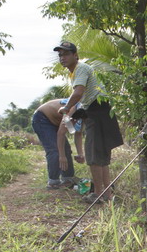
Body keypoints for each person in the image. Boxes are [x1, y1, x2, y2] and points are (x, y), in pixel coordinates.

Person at [53, 41, 123, 203]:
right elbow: (86, 99)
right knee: (101, 157)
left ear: (75, 55)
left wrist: (67, 108)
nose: (62, 58)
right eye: (60, 55)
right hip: (99, 112)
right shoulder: (76, 72)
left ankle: (98, 194)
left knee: (93, 157)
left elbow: (78, 93)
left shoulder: (81, 69)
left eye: (66, 54)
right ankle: (107, 195)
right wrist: (77, 114)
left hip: (98, 113)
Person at [32, 99, 81, 189]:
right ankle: (53, 182)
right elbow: (61, 134)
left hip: (56, 122)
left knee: (66, 149)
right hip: (42, 119)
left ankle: (67, 179)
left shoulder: (84, 114)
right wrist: (62, 156)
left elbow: (78, 134)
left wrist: (80, 154)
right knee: (55, 150)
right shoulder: (71, 109)